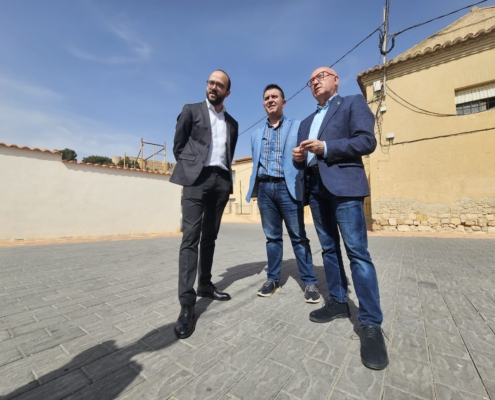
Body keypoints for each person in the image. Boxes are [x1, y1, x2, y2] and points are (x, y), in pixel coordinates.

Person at [292, 67, 388, 370]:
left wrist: (327, 147)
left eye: (321, 76)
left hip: (345, 185)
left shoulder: (351, 103)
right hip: (315, 188)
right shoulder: (305, 122)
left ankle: (370, 323)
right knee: (329, 249)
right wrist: (299, 158)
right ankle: (337, 301)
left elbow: (366, 142)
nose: (315, 81)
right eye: (311, 80)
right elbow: (306, 159)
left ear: (335, 80)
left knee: (357, 252)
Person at [170, 70, 238, 339]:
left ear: (227, 92)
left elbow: (229, 152)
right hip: (196, 180)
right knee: (190, 238)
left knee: (210, 236)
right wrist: (192, 168)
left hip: (221, 181)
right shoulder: (191, 110)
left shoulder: (232, 123)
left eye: (219, 85)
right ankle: (187, 304)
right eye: (211, 82)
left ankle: (206, 285)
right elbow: (179, 146)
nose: (213, 87)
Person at [246, 84, 320, 303]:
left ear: (283, 102)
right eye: (266, 97)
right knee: (272, 238)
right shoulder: (255, 135)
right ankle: (273, 279)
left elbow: (307, 156)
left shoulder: (298, 126)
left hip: (288, 187)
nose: (270, 100)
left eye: (274, 96)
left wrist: (302, 158)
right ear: (264, 103)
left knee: (298, 237)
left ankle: (309, 282)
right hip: (265, 190)